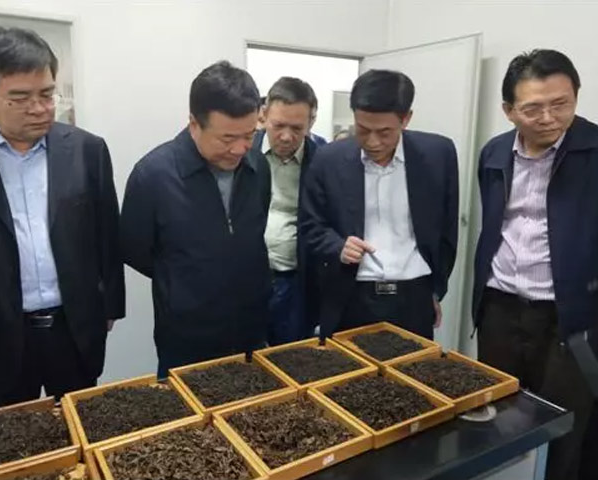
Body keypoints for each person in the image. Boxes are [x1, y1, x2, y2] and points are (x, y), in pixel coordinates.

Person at [0, 26, 125, 411]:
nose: (40, 108)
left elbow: (106, 234)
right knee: (7, 436)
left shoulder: (86, 149)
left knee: (79, 425)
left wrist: (109, 306)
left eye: (47, 94)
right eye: (21, 97)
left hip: (73, 327)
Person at [472, 49, 598, 480]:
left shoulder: (593, 150)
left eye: (561, 104)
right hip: (500, 308)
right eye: (533, 108)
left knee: (563, 428)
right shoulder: (494, 153)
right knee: (498, 419)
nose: (548, 118)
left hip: (570, 320)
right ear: (509, 110)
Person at [121, 61, 271, 376]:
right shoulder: (153, 175)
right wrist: (185, 279)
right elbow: (136, 251)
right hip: (187, 338)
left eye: (249, 135)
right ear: (194, 124)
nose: (240, 149)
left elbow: (253, 232)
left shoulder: (258, 167)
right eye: (227, 138)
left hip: (251, 330)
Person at [302, 69, 458, 340]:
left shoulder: (438, 154)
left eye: (385, 132)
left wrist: (434, 290)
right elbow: (309, 226)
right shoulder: (328, 159)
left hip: (414, 295)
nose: (373, 142)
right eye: (362, 130)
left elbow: (446, 229)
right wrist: (338, 246)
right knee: (346, 367)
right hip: (351, 295)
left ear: (406, 119)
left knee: (412, 366)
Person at [251, 77, 319, 345]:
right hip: (245, 279)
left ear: (311, 122)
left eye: (297, 128)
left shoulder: (323, 161)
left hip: (296, 283)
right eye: (278, 125)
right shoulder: (241, 152)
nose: (287, 136)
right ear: (263, 115)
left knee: (290, 356)